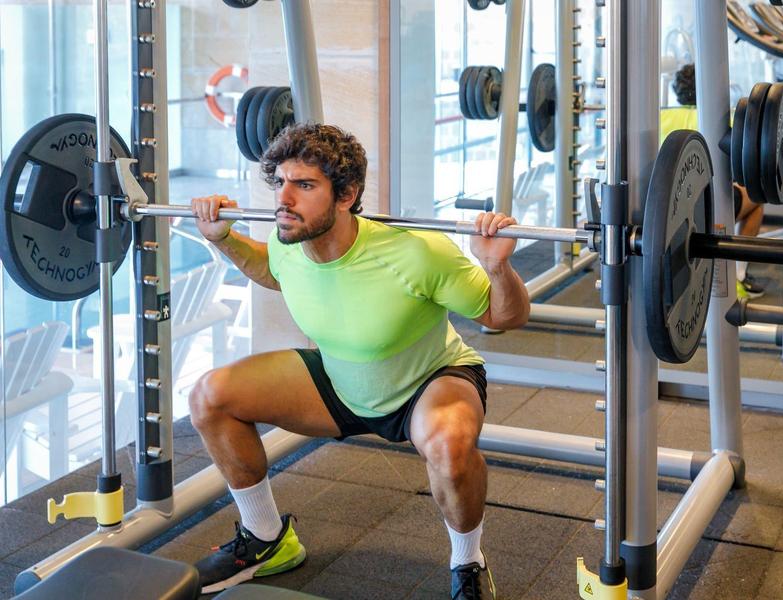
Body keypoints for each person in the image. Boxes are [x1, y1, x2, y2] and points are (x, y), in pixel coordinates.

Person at [188, 123, 530, 598]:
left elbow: (504, 316)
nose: (284, 198)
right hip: (340, 379)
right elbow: (272, 269)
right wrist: (222, 238)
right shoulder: (290, 243)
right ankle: (266, 538)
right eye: (280, 182)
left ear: (346, 195)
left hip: (427, 381)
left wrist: (496, 267)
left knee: (450, 450)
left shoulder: (416, 252)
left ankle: (468, 561)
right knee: (210, 397)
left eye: (304, 185)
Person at [661, 63, 766, 298]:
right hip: (706, 207)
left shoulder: (661, 116)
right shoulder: (717, 120)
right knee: (755, 200)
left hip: (665, 211)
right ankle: (738, 276)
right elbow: (734, 166)